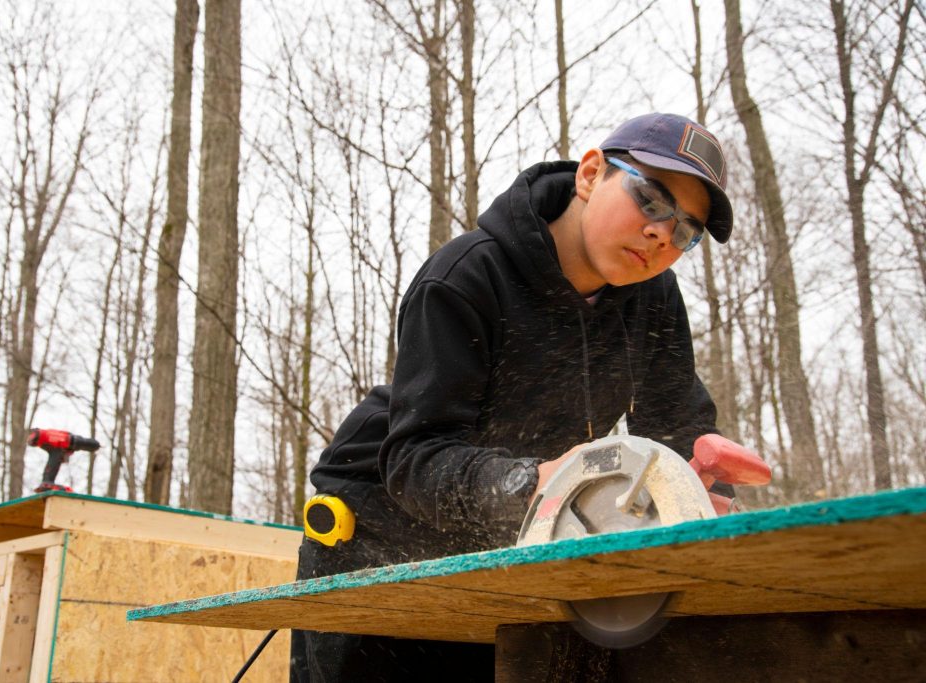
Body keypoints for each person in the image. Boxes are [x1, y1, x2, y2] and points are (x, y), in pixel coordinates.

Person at [290, 112, 744, 682]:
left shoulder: (652, 296)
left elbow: (677, 423)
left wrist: (706, 492)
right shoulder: (463, 278)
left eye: (685, 231)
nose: (661, 233)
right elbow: (415, 458)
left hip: (503, 537)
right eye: (651, 200)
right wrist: (534, 484)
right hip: (377, 527)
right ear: (590, 173)